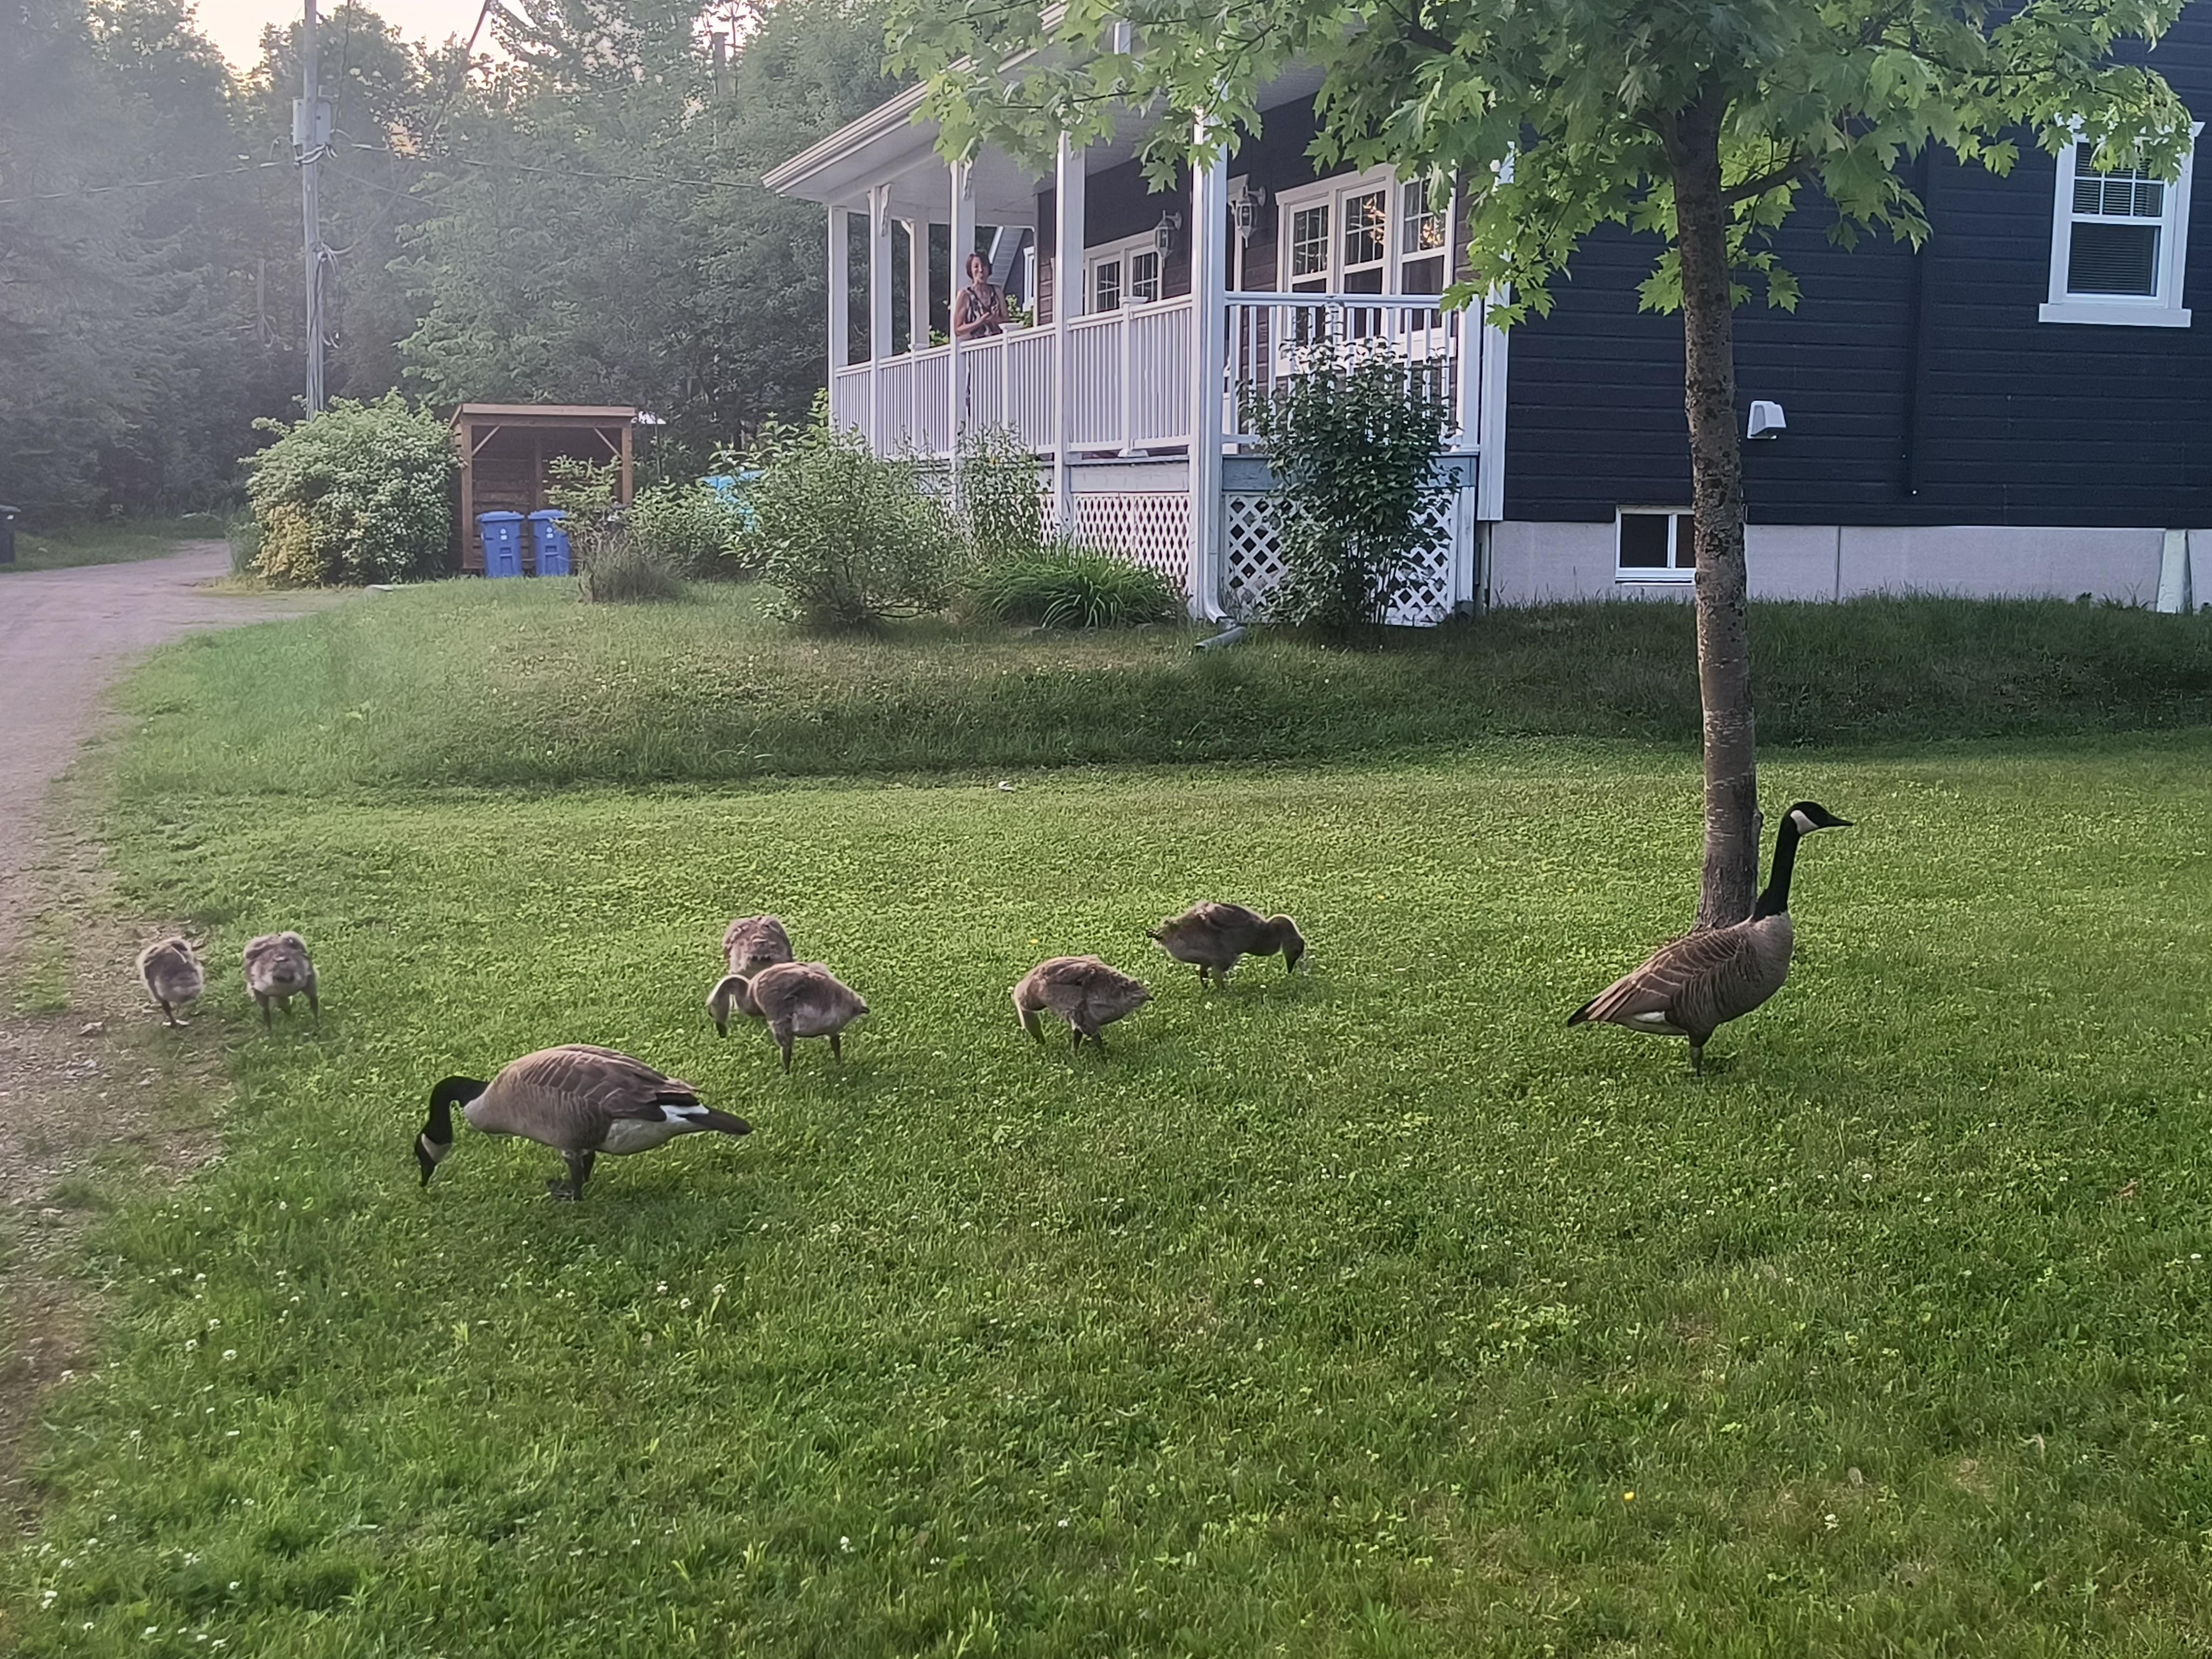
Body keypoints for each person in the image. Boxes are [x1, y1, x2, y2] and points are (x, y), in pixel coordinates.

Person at [952, 251, 1007, 340]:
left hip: (998, 345)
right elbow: (958, 330)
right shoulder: (965, 295)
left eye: (984, 266)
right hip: (976, 349)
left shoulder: (997, 291)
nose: (981, 270)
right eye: (976, 267)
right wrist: (980, 322)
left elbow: (1007, 321)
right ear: (970, 270)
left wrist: (995, 319)